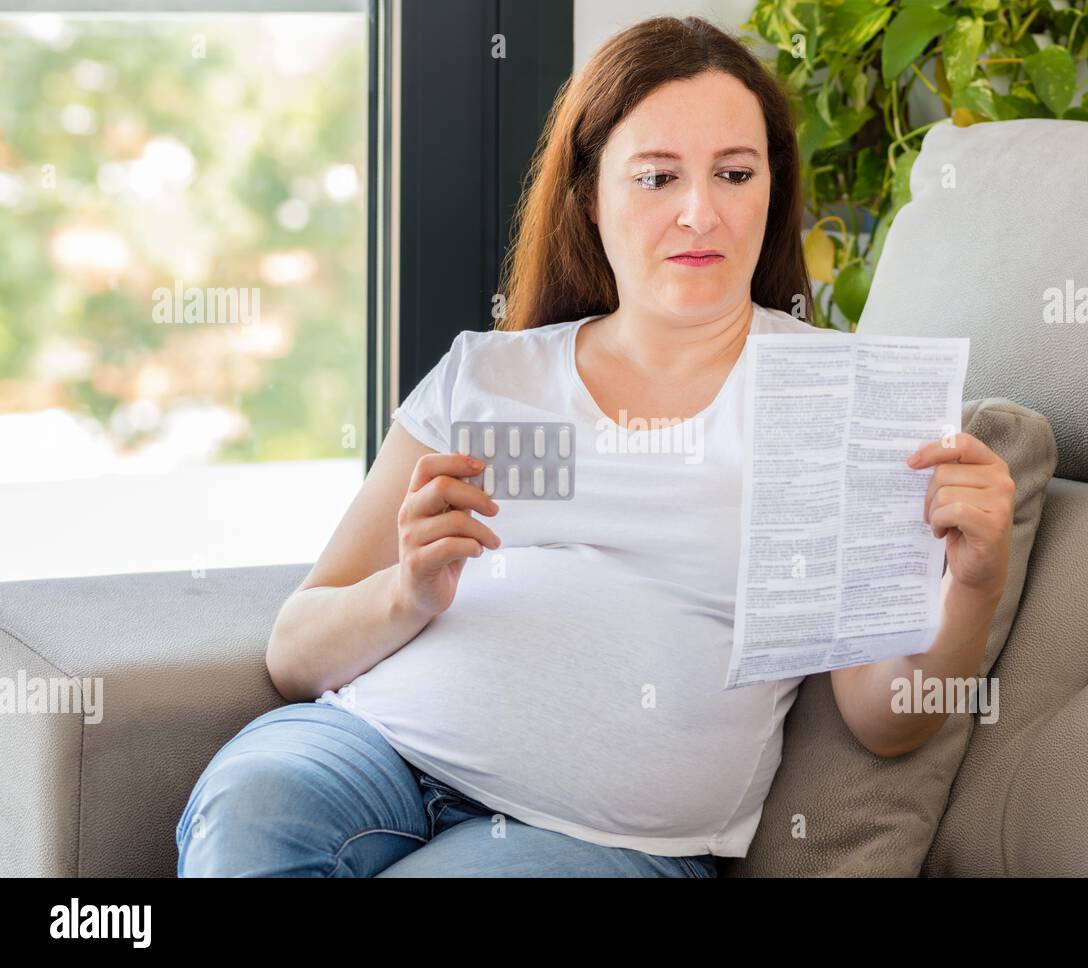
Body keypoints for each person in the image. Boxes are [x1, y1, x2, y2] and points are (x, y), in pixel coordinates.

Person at [176, 15, 1013, 878]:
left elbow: (887, 718)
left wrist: (975, 584)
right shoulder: (488, 372)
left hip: (602, 842)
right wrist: (408, 592)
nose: (701, 211)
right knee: (258, 809)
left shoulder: (838, 396)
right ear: (589, 196)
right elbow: (293, 652)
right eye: (657, 177)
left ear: (773, 189)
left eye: (735, 173)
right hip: (372, 746)